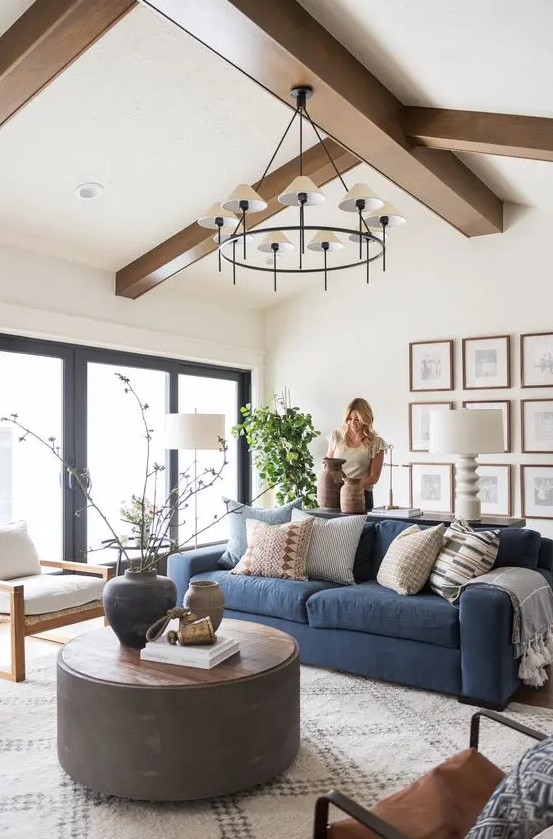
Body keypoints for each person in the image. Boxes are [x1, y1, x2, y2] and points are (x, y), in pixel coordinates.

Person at [326, 397, 387, 511]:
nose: (352, 423)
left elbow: (374, 477)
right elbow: (328, 465)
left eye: (357, 419)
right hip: (336, 495)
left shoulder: (376, 443)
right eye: (349, 418)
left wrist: (352, 487)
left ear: (366, 418)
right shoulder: (336, 436)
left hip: (361, 496)